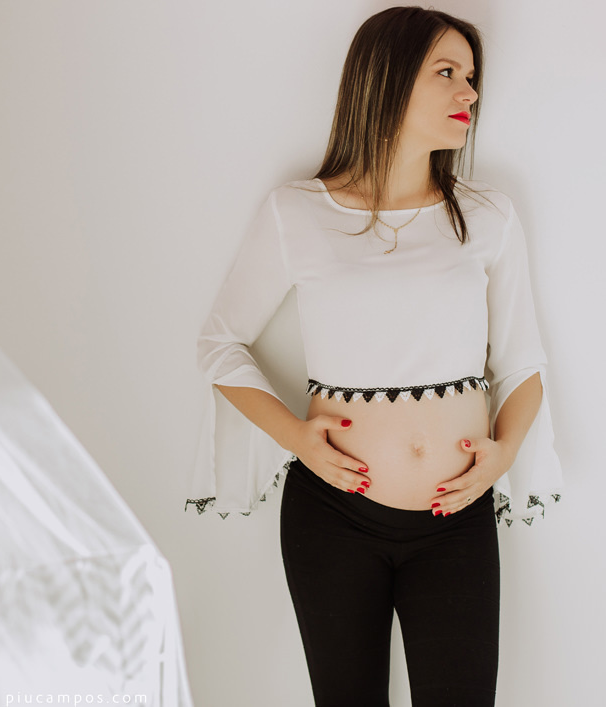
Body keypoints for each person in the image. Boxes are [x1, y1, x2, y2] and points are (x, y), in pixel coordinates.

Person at [188, 6, 563, 706]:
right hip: (332, 519)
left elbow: (523, 364)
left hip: (457, 521)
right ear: (387, 79)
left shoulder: (489, 215)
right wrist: (296, 436)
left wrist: (504, 454)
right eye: (447, 73)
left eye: (472, 76)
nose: (469, 92)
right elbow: (219, 342)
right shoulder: (297, 212)